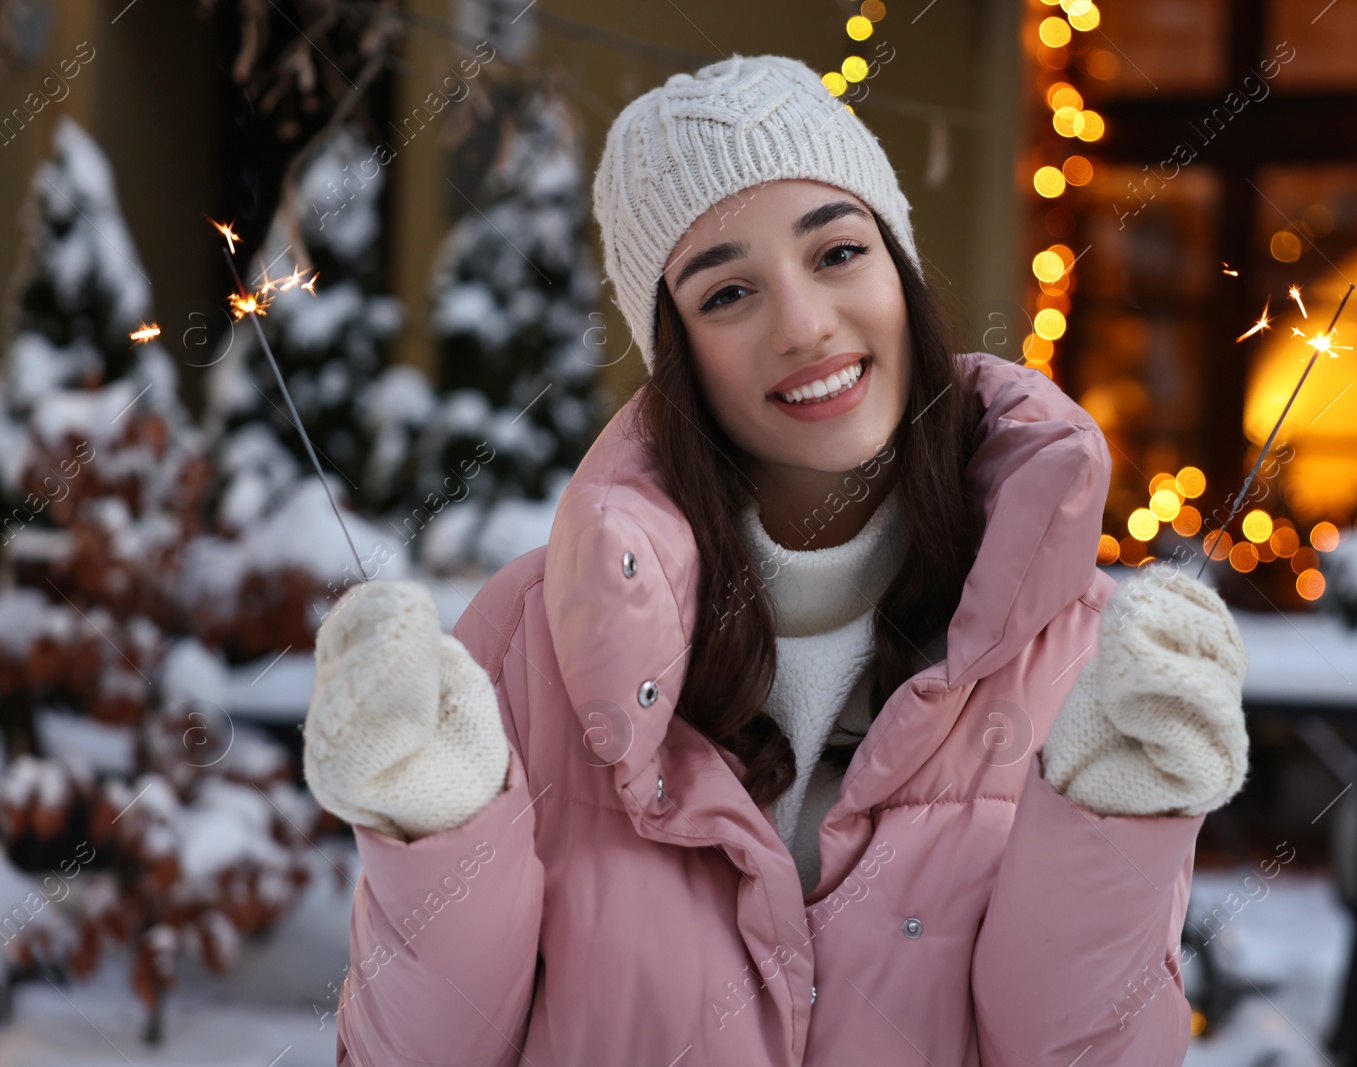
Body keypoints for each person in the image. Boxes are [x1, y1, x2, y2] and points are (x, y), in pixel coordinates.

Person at [303, 52, 1250, 1066]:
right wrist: (433, 831)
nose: (803, 325)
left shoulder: (1074, 655)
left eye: (837, 252)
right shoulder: (533, 638)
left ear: (900, 270)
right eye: (727, 294)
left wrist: (1116, 816)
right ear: (676, 355)